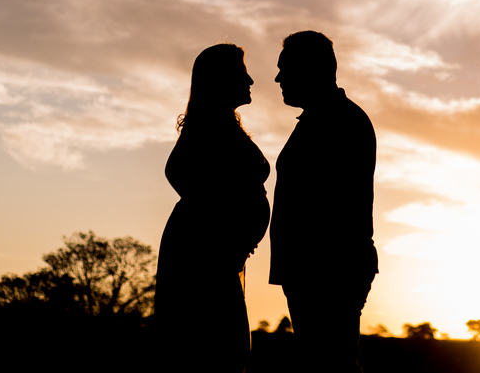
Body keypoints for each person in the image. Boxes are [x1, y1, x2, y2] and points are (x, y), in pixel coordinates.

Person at [155, 44, 271, 373]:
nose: (250, 79)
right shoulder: (207, 130)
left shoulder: (223, 127)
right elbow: (176, 172)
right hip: (204, 259)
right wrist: (221, 231)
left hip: (220, 258)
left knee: (225, 349)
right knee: (212, 350)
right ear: (219, 80)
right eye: (241, 72)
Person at [269, 31, 377, 372]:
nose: (278, 78)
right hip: (313, 270)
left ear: (311, 69)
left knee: (331, 365)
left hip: (326, 271)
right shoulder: (321, 119)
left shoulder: (340, 121)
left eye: (285, 68)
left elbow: (329, 207)